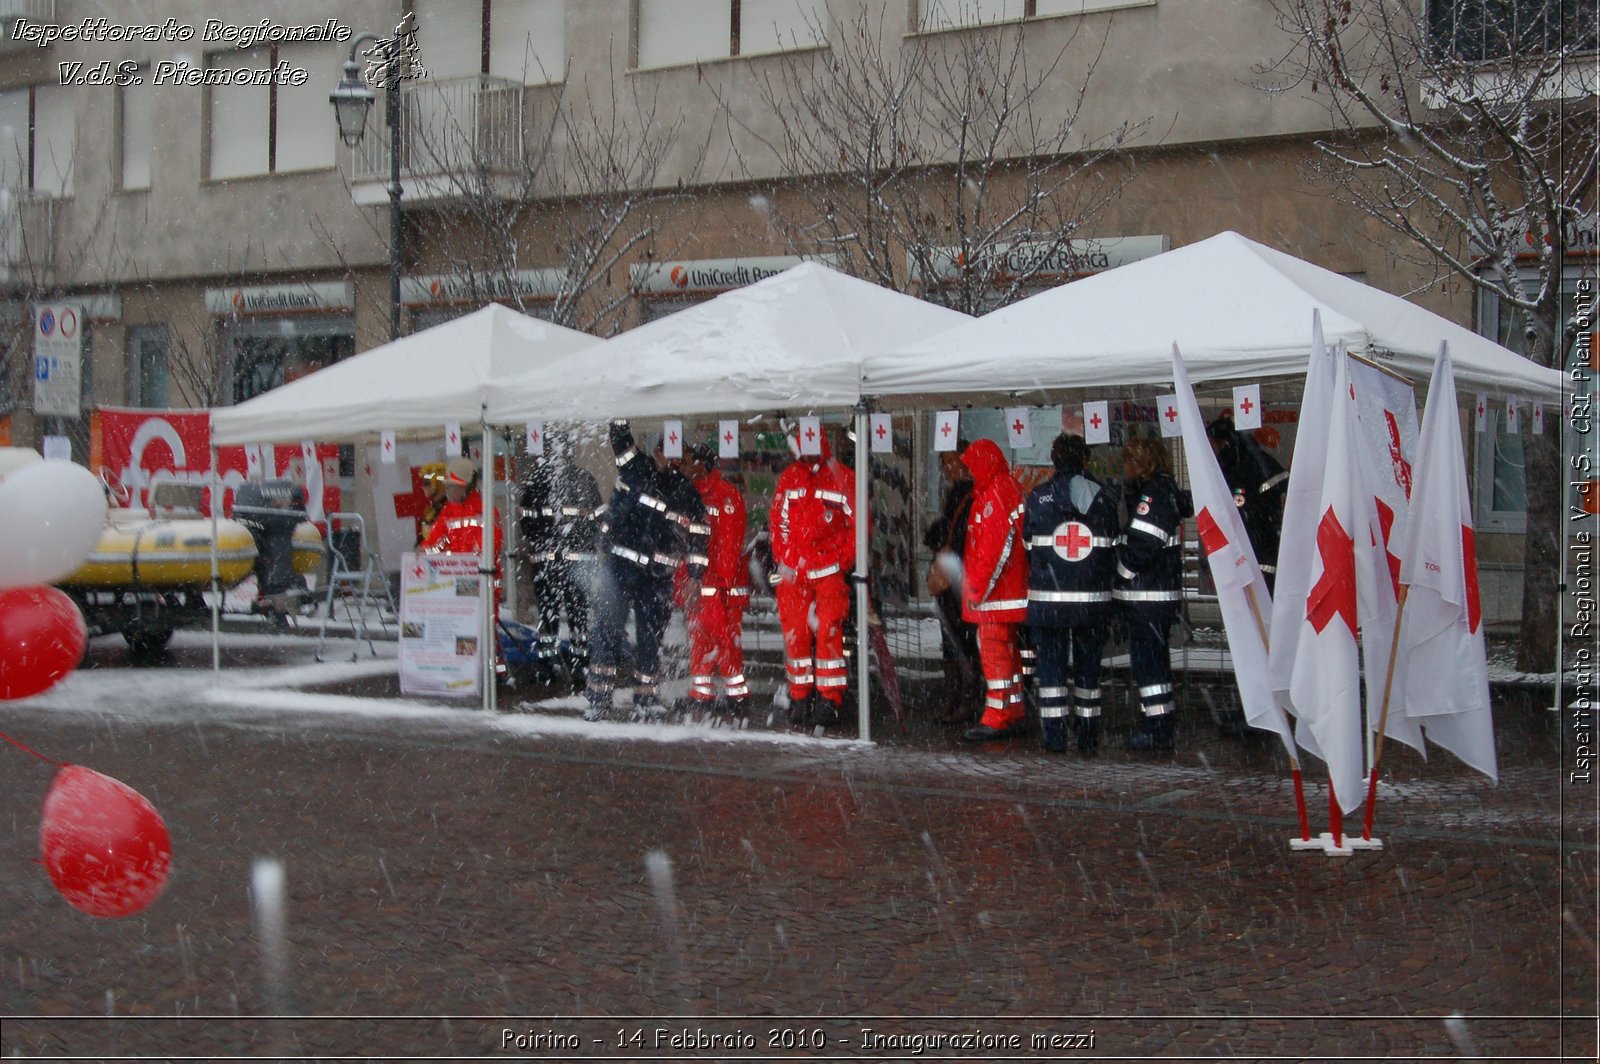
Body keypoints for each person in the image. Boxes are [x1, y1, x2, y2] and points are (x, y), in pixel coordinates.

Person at [1024, 434, 1119, 754]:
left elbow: (1028, 545)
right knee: (1088, 670)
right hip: (1091, 603)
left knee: (1050, 671)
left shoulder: (1038, 497)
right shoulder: (1104, 498)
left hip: (1049, 603)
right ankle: (1087, 733)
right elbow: (1112, 547)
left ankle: (1053, 735)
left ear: (1053, 460)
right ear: (1085, 460)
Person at [586, 422, 681, 721]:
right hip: (619, 566)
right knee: (607, 631)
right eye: (669, 454)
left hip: (651, 576)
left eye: (678, 456)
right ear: (656, 451)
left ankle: (645, 697)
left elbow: (676, 529)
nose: (673, 461)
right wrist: (618, 420)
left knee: (649, 638)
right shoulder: (636, 466)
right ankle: (599, 698)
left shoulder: (676, 485)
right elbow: (621, 444)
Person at [769, 426, 856, 729]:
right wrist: (785, 558)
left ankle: (830, 699)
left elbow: (857, 524)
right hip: (795, 574)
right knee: (796, 636)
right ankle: (800, 696)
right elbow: (778, 521)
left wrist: (841, 560)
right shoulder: (790, 477)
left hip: (828, 574)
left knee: (829, 634)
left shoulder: (843, 477)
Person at [1114, 437, 1192, 751]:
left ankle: (1156, 727)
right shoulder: (1166, 490)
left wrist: (1121, 574)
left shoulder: (1154, 494)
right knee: (1153, 662)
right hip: (1157, 593)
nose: (1125, 468)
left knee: (1148, 663)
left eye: (1129, 461)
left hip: (1147, 594)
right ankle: (1157, 720)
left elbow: (1142, 546)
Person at [957, 438, 1031, 742]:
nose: (969, 472)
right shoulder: (1003, 488)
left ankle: (997, 715)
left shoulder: (995, 493)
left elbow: (993, 550)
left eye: (972, 466)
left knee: (995, 651)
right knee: (1008, 652)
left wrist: (978, 590)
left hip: (997, 596)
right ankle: (1011, 708)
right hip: (1007, 592)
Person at [519, 430, 602, 686]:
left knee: (556, 615)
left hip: (558, 563)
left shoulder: (539, 481)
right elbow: (527, 522)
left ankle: (556, 665)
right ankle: (571, 664)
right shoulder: (578, 479)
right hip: (568, 563)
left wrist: (546, 541)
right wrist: (578, 540)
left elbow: (595, 518)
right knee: (565, 615)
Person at [680, 443, 751, 721]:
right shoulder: (693, 494)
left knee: (724, 643)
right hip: (702, 586)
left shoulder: (726, 496)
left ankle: (736, 697)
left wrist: (714, 583)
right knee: (701, 642)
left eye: (689, 462)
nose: (685, 467)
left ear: (702, 465)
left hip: (721, 589)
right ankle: (703, 696)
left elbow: (729, 547)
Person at [924, 441, 980, 725]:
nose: (949, 468)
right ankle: (957, 698)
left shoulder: (970, 494)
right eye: (945, 463)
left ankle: (964, 699)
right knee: (954, 641)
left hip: (962, 582)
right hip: (957, 581)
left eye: (953, 461)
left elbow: (960, 538)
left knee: (961, 641)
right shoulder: (959, 494)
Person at [1207, 413, 1288, 592]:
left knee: (1257, 613)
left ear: (1223, 443)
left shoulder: (1239, 469)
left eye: (1211, 445)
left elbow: (1242, 516)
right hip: (1272, 551)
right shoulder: (1259, 460)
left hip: (1257, 556)